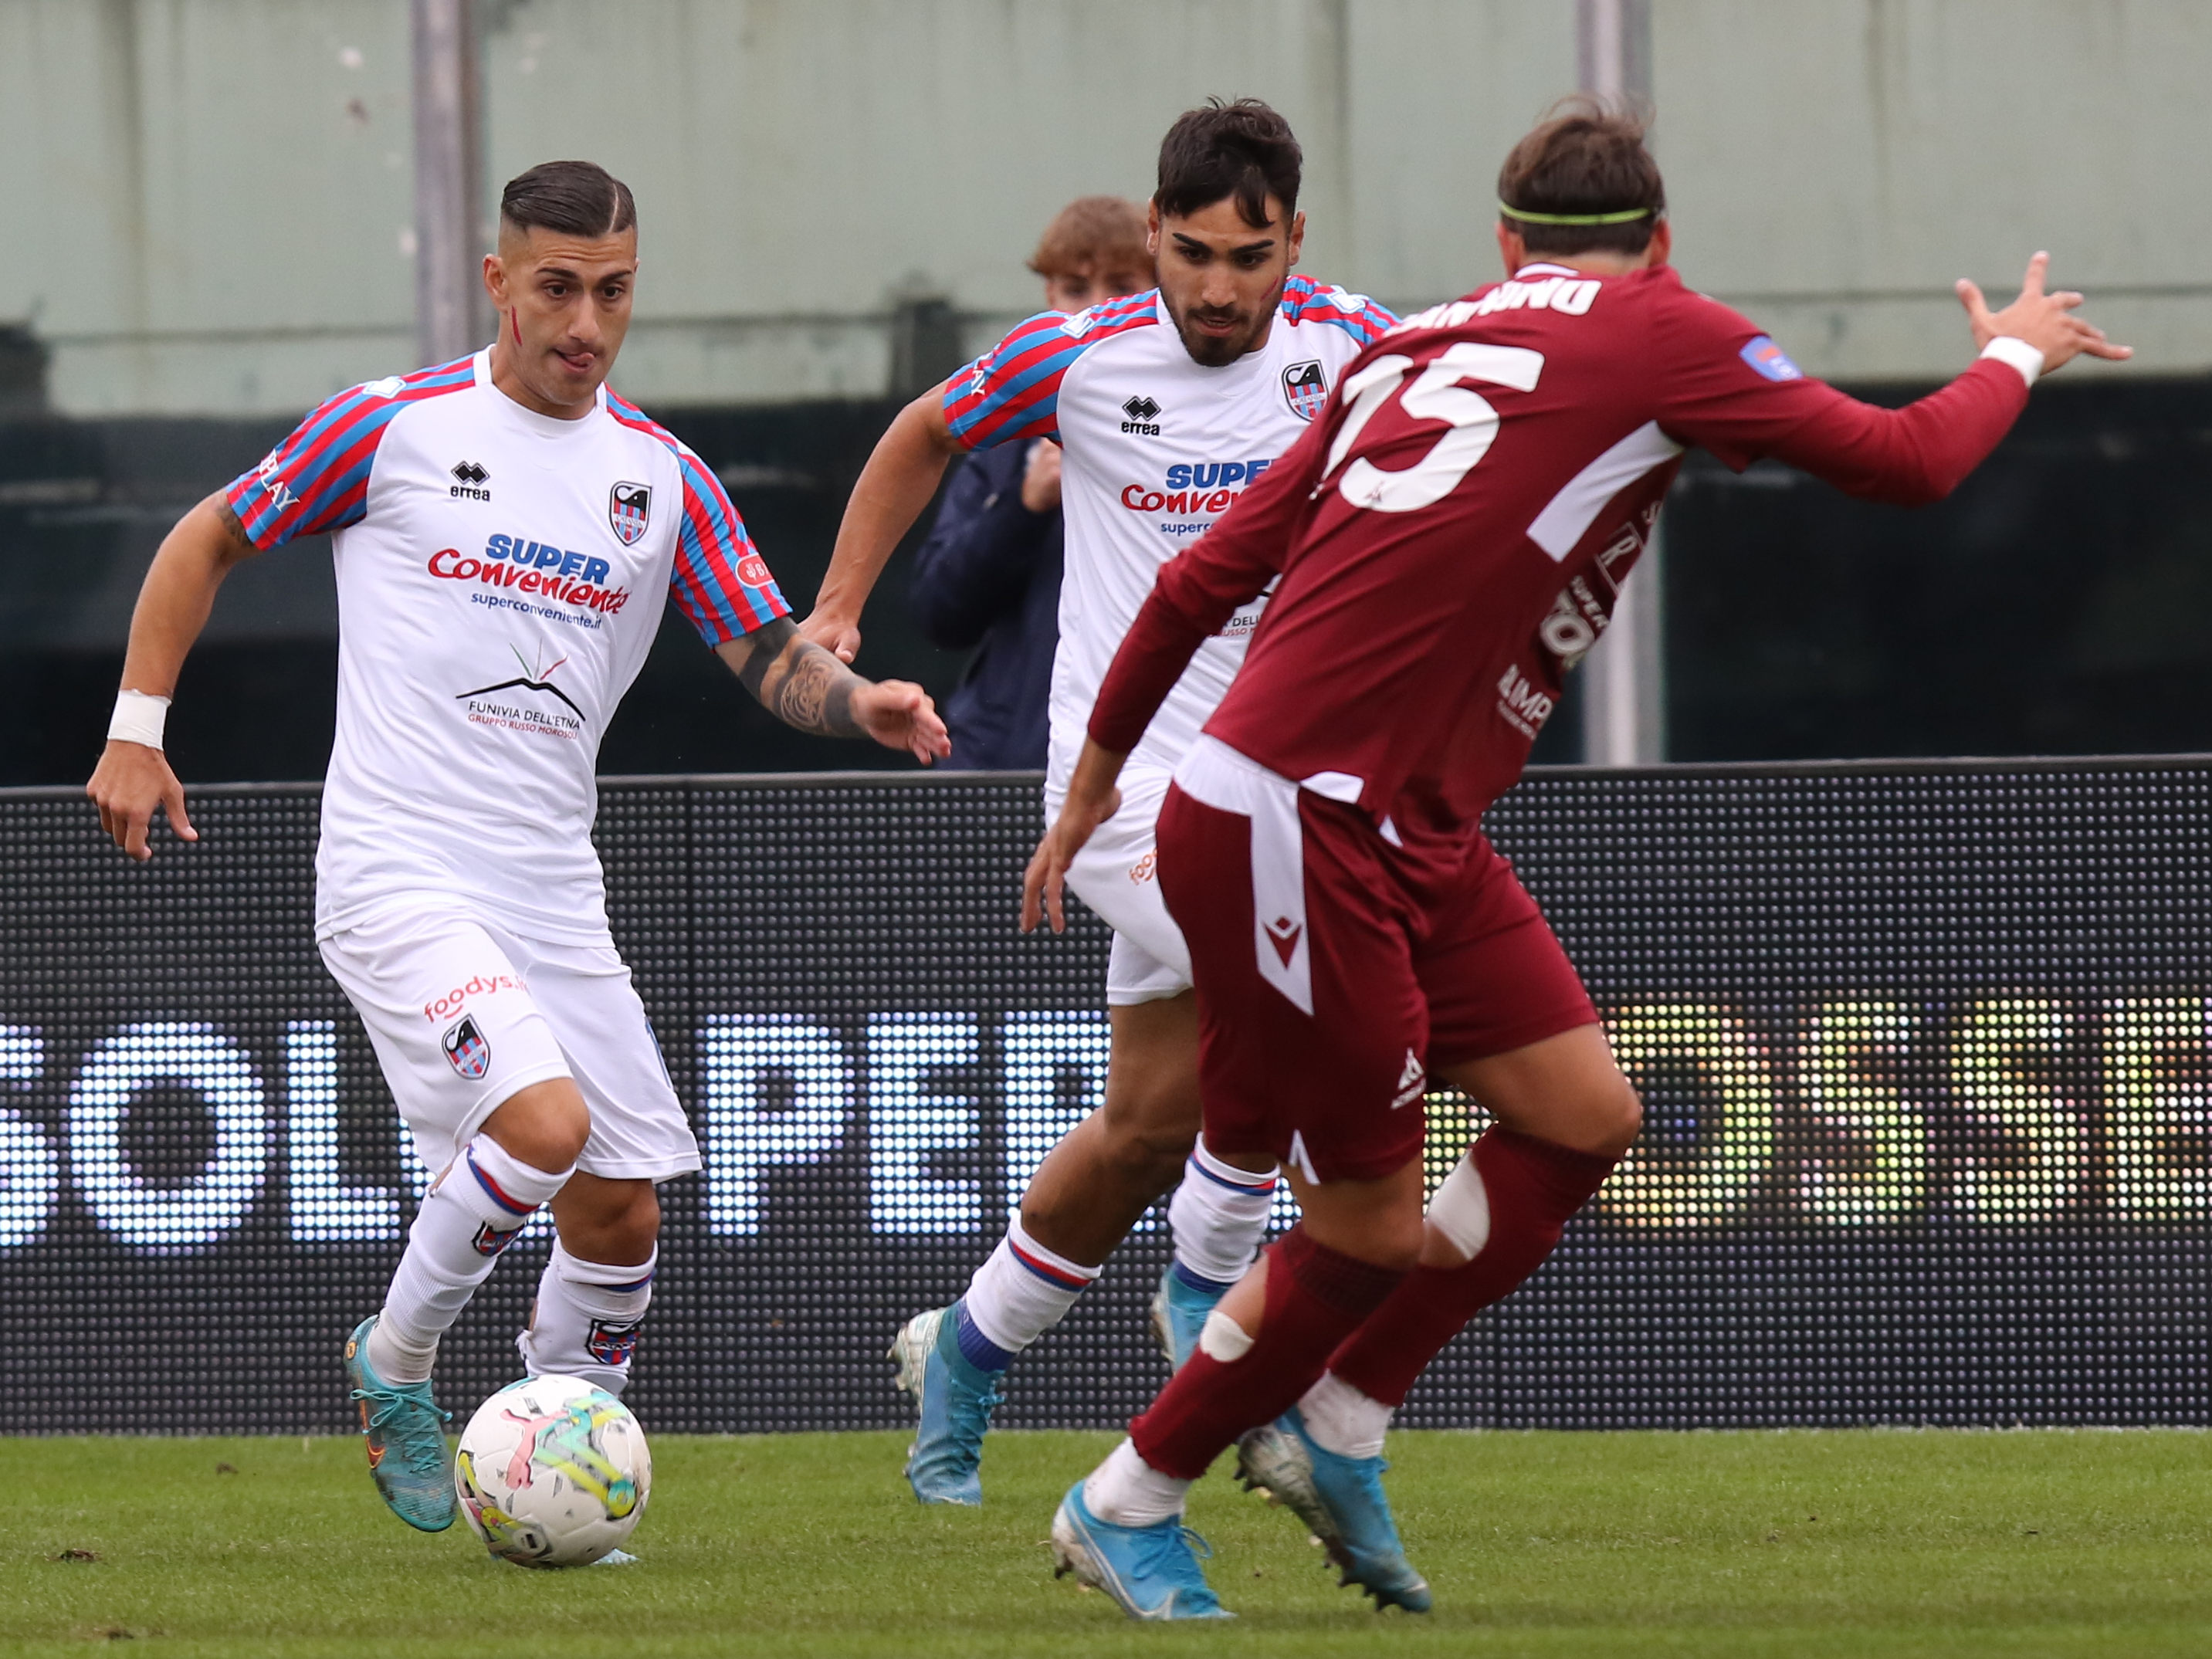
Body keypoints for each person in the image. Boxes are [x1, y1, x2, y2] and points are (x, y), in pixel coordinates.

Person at [1025, 100, 2129, 1620]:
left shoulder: (1406, 346)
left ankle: (1340, 1418)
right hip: (1301, 818)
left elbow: (1209, 578)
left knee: (1578, 1111)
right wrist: (2014, 347)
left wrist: (1087, 783)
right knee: (1361, 1222)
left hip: (1389, 818)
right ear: (1657, 245)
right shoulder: (1655, 329)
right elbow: (1904, 462)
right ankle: (1124, 1495)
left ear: (1500, 243)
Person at [84, 160, 947, 1538]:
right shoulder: (393, 427)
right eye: (557, 287)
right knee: (541, 1127)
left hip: (551, 884)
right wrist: (138, 727)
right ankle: (396, 1360)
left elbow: (763, 646)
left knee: (619, 1212)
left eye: (612, 291)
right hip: (396, 863)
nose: (586, 322)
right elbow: (205, 537)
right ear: (500, 282)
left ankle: (549, 1482)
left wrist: (858, 703)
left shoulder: (658, 477)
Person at [802, 100, 1394, 1505]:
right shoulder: (1080, 353)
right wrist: (836, 605)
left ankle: (968, 1343)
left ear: (1291, 243)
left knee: (1142, 1121)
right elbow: (921, 432)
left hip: (1294, 782)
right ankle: (1206, 1292)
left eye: (1246, 257)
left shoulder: (1355, 340)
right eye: (1187, 252)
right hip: (1123, 792)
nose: (1214, 286)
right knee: (1313, 1010)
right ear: (1153, 235)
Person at [911, 197, 1153, 770]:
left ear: (1160, 293)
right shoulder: (1008, 429)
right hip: (1012, 765)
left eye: (1122, 288)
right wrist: (1022, 506)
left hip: (1146, 765)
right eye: (1076, 289)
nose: (1099, 311)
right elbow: (938, 611)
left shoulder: (1203, 430)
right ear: (1049, 299)